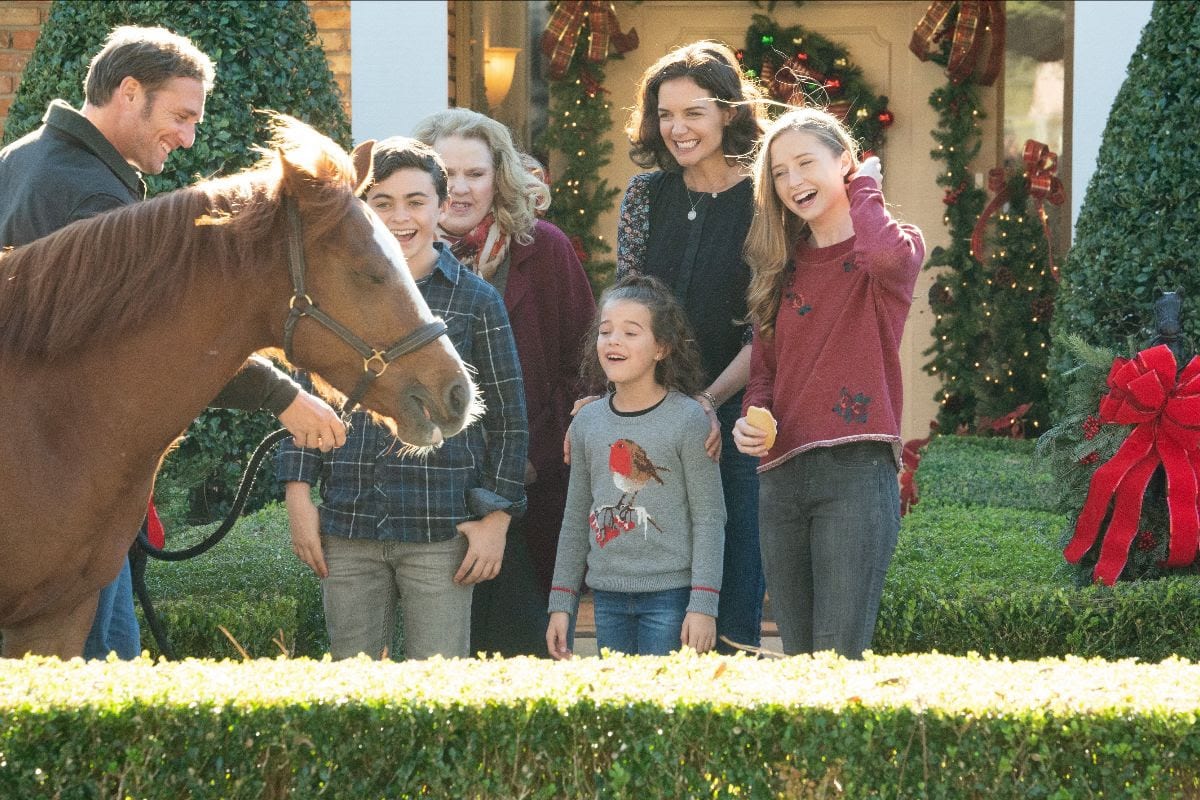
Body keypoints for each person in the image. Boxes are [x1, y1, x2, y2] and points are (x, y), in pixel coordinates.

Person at [0, 25, 346, 661]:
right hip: (67, 496)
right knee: (100, 684)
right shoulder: (87, 193)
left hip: (41, 489)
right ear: (130, 92)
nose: (188, 138)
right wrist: (283, 397)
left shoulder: (22, 159)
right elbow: (153, 337)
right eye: (181, 117)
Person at [277, 137, 529, 660]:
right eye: (383, 203)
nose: (400, 217)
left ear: (442, 207)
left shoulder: (476, 301)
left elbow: (509, 422)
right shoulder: (336, 297)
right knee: (353, 685)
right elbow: (303, 398)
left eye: (416, 201)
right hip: (349, 526)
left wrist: (497, 519)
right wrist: (298, 496)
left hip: (439, 532)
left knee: (437, 687)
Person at [733, 107, 926, 658]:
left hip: (855, 471)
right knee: (800, 660)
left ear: (843, 161)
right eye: (779, 172)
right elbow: (765, 373)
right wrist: (751, 418)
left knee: (838, 658)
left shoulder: (896, 247)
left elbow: (882, 253)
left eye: (805, 163)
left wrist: (866, 185)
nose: (792, 181)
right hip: (780, 476)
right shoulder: (780, 266)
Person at [412, 109, 595, 656]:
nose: (460, 189)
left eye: (476, 174)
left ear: (500, 178)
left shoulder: (544, 248)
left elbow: (583, 366)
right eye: (447, 173)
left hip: (532, 490)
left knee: (525, 654)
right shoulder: (399, 257)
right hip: (427, 490)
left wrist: (532, 458)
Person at [614, 40, 766, 654]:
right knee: (650, 562)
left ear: (729, 113)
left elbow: (769, 327)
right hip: (649, 411)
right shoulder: (645, 195)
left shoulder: (766, 200)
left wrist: (709, 399)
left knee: (734, 564)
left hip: (733, 415)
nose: (677, 128)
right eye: (665, 114)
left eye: (693, 113)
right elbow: (625, 306)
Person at [547, 274, 725, 658]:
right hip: (607, 598)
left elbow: (710, 518)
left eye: (630, 332)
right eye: (605, 331)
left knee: (664, 696)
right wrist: (561, 603)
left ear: (662, 347)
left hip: (671, 599)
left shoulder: (689, 420)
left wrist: (703, 605)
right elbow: (575, 518)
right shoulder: (587, 423)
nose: (614, 340)